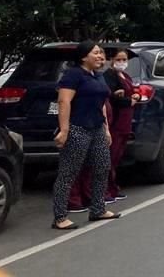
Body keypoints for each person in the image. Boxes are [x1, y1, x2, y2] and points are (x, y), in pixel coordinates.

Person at [51, 41, 121, 230]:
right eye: (95, 53)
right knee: (68, 173)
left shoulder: (98, 77)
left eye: (101, 53)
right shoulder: (73, 75)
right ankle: (60, 217)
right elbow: (64, 102)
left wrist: (106, 128)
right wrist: (64, 130)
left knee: (102, 167)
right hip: (77, 128)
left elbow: (101, 104)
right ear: (83, 57)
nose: (100, 56)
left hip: (97, 127)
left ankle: (98, 209)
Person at [103, 49, 138, 201]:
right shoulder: (108, 76)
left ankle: (113, 187)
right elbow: (110, 97)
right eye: (119, 59)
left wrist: (135, 96)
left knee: (117, 157)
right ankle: (106, 190)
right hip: (115, 120)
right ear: (111, 59)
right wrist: (128, 101)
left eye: (125, 59)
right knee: (110, 156)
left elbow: (129, 91)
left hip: (125, 120)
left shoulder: (125, 76)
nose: (122, 62)